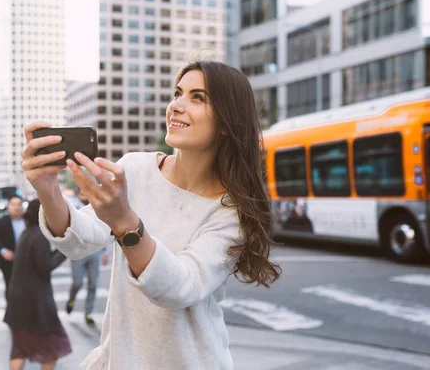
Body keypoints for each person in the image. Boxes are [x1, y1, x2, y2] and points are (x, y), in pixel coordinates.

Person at [22, 61, 281, 369]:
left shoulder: (230, 211)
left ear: (226, 122)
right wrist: (47, 190)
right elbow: (79, 241)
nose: (176, 106)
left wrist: (125, 223)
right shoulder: (135, 167)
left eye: (197, 97)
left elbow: (181, 286)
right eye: (177, 93)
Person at [4, 199, 71, 370]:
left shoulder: (27, 233)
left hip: (17, 302)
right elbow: (45, 267)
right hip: (36, 304)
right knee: (52, 347)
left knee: (19, 349)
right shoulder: (39, 236)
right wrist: (65, 250)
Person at [65, 188, 102, 326]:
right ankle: (71, 299)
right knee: (77, 283)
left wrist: (104, 252)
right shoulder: (73, 208)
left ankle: (88, 312)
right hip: (79, 253)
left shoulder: (97, 208)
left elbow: (104, 228)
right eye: (82, 193)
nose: (85, 195)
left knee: (93, 284)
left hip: (94, 252)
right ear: (78, 194)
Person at [0, 196, 25, 300]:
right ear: (9, 206)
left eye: (19, 204)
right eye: (14, 205)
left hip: (26, 260)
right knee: (10, 287)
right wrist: (3, 251)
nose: (17, 207)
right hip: (8, 260)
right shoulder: (2, 222)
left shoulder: (28, 221)